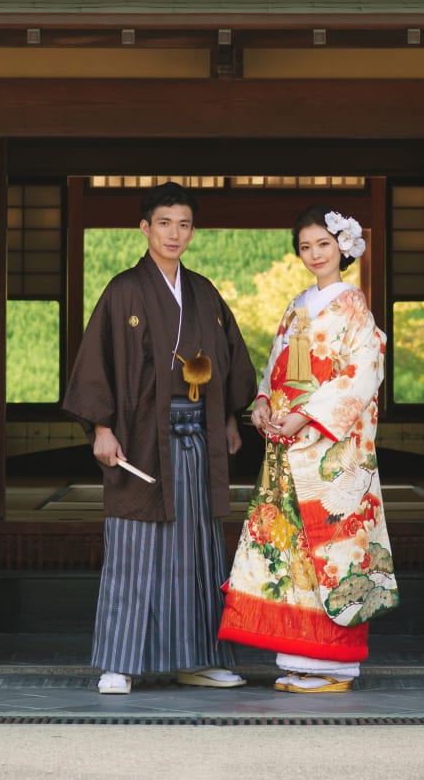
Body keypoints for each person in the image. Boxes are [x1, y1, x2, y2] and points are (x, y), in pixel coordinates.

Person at [62, 181, 257, 694]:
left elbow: (228, 359)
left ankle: (200, 659)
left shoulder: (205, 292)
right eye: (165, 223)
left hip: (197, 438)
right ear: (145, 228)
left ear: (193, 230)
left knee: (199, 552)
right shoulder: (124, 289)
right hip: (142, 440)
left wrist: (231, 419)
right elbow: (97, 360)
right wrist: (101, 428)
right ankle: (120, 662)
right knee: (135, 546)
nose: (175, 233)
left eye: (184, 223)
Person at [218, 205, 399, 693]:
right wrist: (260, 403)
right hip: (288, 445)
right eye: (305, 246)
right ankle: (301, 658)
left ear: (343, 247)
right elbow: (276, 365)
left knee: (334, 550)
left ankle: (336, 665)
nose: (314, 254)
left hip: (330, 451)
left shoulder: (353, 306)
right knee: (294, 552)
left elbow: (362, 374)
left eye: (323, 244)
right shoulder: (298, 304)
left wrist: (308, 414)